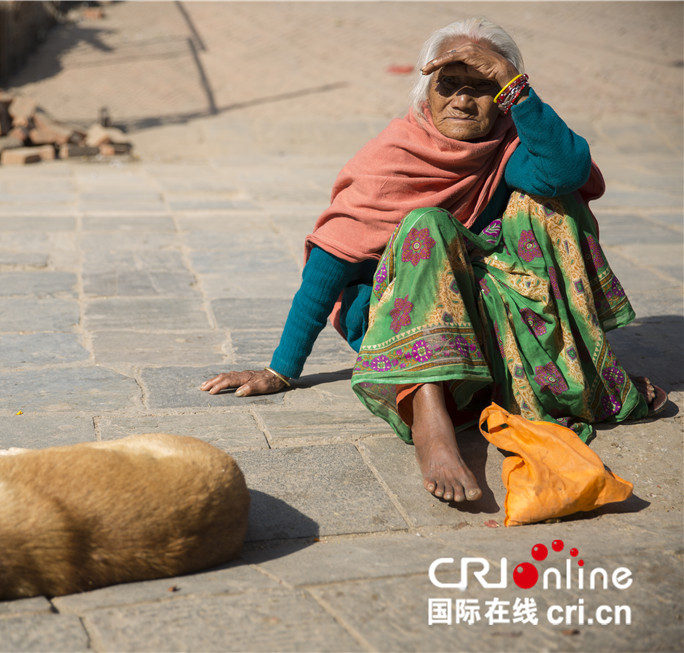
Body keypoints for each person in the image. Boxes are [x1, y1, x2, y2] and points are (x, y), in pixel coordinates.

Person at [201, 17, 668, 504]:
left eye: (483, 88)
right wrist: (280, 370)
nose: (463, 101)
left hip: (480, 320)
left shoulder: (506, 146)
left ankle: (574, 375)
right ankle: (430, 418)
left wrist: (519, 91)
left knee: (555, 204)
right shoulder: (392, 154)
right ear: (427, 92)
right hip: (395, 322)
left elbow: (565, 171)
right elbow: (327, 267)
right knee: (428, 224)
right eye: (450, 85)